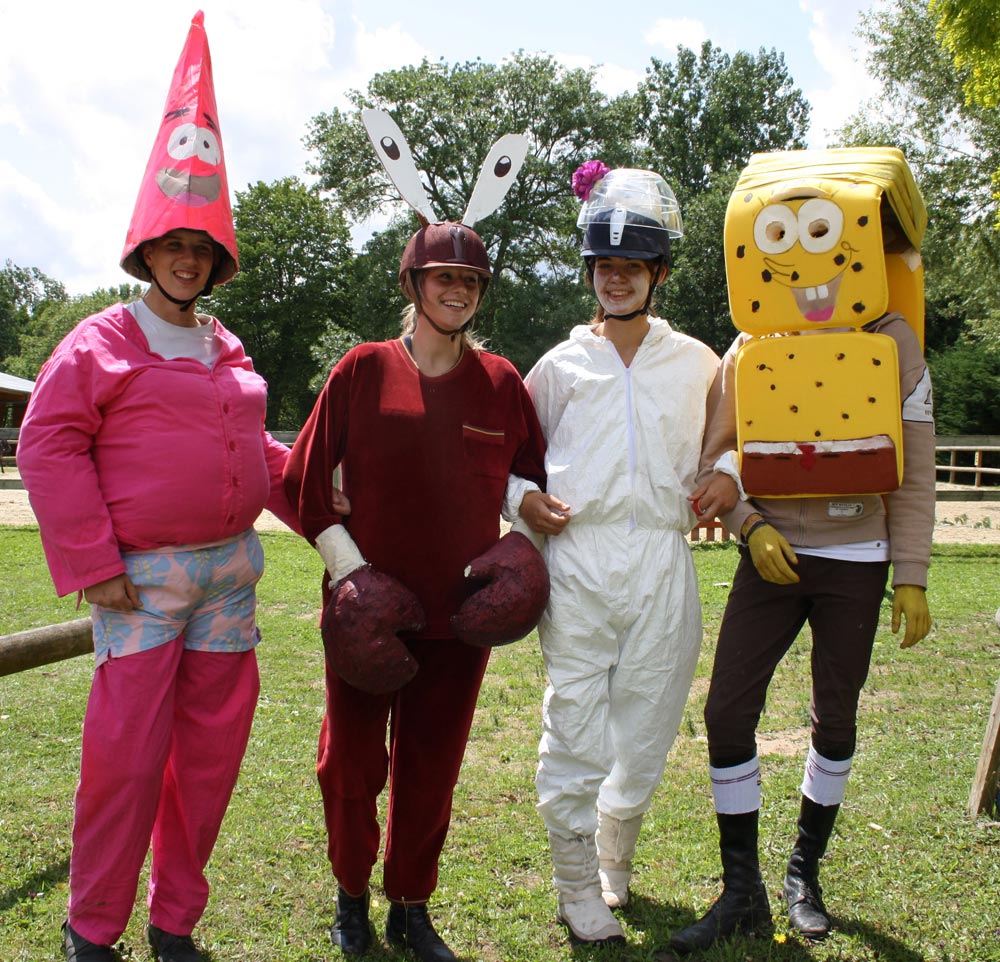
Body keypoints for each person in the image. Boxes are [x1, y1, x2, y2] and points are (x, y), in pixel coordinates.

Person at [17, 15, 301, 962]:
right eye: (172, 242)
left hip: (230, 579)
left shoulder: (227, 347)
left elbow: (260, 453)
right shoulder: (98, 343)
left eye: (201, 246)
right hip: (139, 583)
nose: (188, 257)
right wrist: (92, 561)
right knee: (123, 766)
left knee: (209, 766)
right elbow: (50, 443)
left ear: (217, 258)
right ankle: (91, 929)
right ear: (147, 250)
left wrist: (334, 494)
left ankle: (174, 919)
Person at [284, 123, 556, 956]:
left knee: (430, 773)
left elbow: (525, 475)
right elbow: (299, 483)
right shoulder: (362, 369)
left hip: (456, 617)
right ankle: (352, 897)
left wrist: (527, 517)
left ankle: (412, 905)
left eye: (470, 280)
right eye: (444, 276)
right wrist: (351, 574)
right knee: (350, 767)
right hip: (367, 612)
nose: (457, 291)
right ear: (415, 280)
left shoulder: (503, 381)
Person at [668, 147, 935, 953]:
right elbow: (718, 458)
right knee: (725, 711)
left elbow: (916, 470)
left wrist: (911, 577)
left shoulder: (897, 345)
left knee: (836, 717)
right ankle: (741, 889)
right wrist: (751, 524)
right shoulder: (749, 348)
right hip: (771, 554)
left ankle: (803, 873)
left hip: (857, 559)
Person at [509, 163, 739, 946]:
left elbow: (735, 441)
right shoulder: (559, 365)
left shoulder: (700, 362)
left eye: (630, 267)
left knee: (646, 725)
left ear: (658, 275)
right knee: (574, 721)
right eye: (603, 268)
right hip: (578, 558)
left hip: (663, 566)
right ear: (590, 275)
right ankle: (576, 885)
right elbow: (514, 461)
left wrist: (727, 478)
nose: (614, 280)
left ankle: (613, 862)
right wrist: (521, 501)